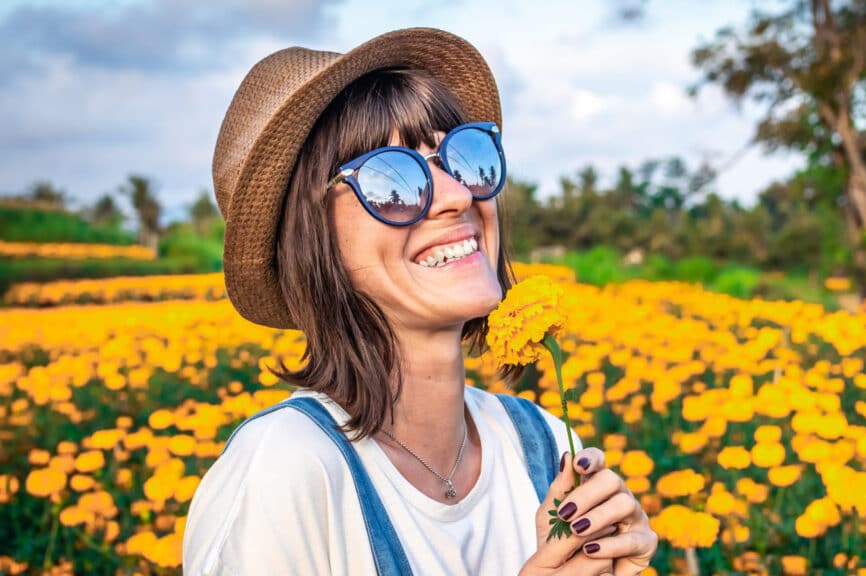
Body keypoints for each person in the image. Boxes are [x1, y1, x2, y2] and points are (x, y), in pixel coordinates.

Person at [182, 28, 658, 576]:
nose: (458, 195)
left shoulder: (545, 443)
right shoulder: (287, 469)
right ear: (313, 241)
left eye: (462, 157)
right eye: (393, 180)